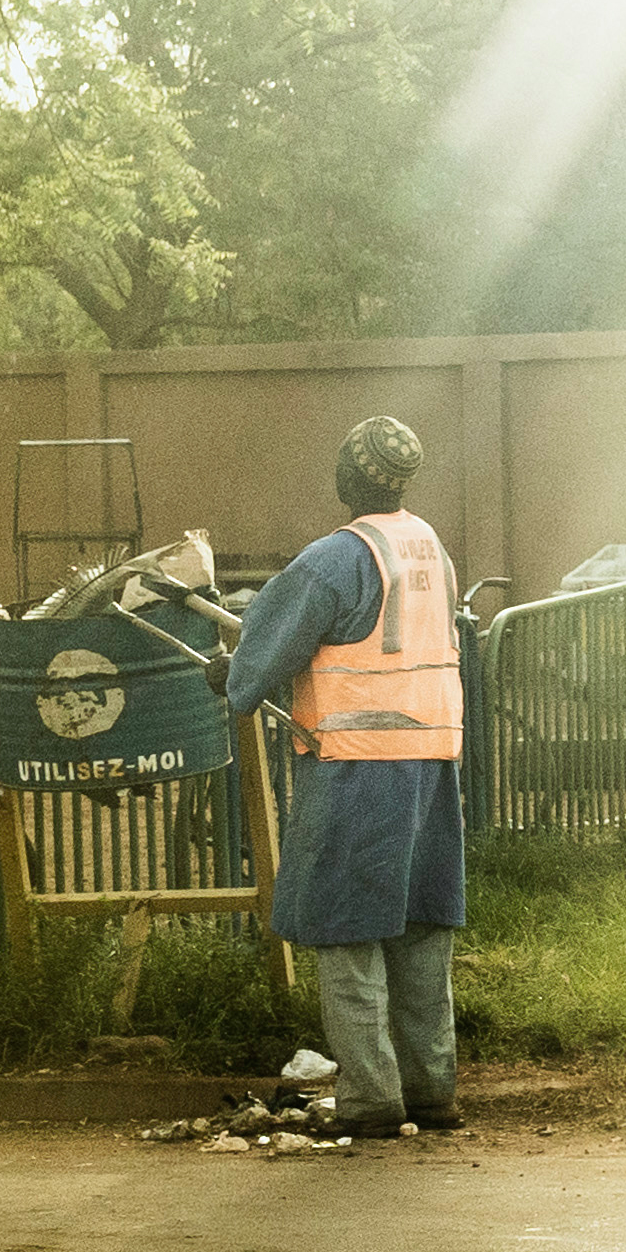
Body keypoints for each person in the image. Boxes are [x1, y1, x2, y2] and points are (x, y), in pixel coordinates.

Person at [220, 416, 465, 1138]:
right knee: (422, 928)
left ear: (350, 477)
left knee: (345, 929)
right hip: (432, 765)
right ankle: (431, 1091)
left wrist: (231, 677)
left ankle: (370, 1099)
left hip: (359, 765)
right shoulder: (429, 548)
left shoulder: (336, 558)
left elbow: (259, 661)